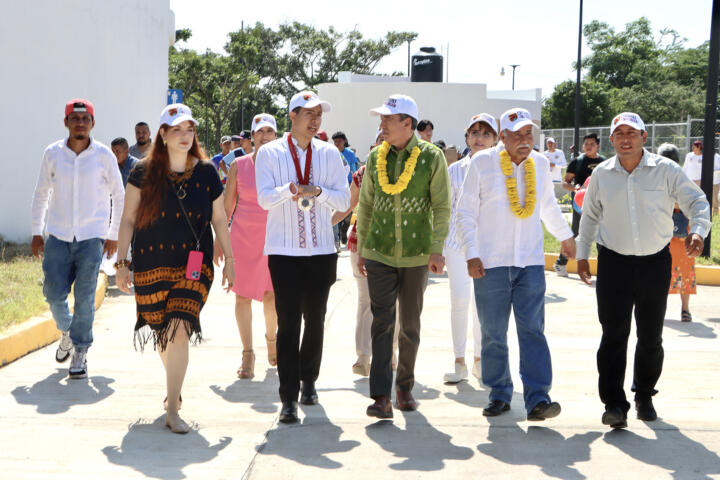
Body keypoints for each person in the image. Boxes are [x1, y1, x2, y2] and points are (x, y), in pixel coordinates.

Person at [576, 112, 710, 430]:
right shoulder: (602, 175)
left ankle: (644, 395)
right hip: (613, 264)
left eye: (632, 133)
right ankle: (614, 404)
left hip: (654, 263)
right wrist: (583, 254)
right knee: (613, 336)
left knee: (651, 336)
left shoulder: (666, 170)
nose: (625, 138)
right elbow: (590, 215)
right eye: (619, 133)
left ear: (644, 137)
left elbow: (698, 201)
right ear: (611, 139)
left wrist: (698, 231)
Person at [115, 103, 234, 434]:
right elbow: (127, 220)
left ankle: (173, 409)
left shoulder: (208, 172)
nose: (185, 136)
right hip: (151, 264)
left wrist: (230, 260)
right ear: (163, 135)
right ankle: (174, 388)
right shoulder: (142, 171)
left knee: (180, 328)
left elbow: (220, 220)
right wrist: (122, 264)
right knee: (164, 333)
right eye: (178, 130)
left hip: (194, 266)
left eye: (190, 129)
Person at [456, 107, 575, 421]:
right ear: (503, 136)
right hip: (489, 263)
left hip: (530, 262)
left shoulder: (539, 162)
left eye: (529, 134)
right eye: (518, 135)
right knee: (494, 333)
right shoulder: (482, 163)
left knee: (533, 331)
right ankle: (499, 394)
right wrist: (471, 253)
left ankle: (538, 399)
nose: (525, 140)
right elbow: (465, 212)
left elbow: (548, 204)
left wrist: (565, 236)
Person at [255, 91, 350, 424]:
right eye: (308, 114)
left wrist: (319, 193)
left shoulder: (329, 153)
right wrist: (290, 190)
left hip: (322, 249)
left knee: (316, 318)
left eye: (319, 115)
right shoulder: (269, 153)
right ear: (292, 116)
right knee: (288, 322)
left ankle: (309, 379)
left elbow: (344, 200)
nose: (315, 120)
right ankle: (288, 398)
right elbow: (265, 200)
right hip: (284, 251)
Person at [357, 94, 450, 419]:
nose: (381, 125)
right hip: (379, 251)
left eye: (387, 119)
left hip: (416, 255)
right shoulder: (375, 158)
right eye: (381, 119)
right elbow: (365, 205)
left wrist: (437, 248)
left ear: (407, 124)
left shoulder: (431, 158)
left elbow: (441, 205)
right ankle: (381, 396)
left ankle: (404, 387)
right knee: (382, 322)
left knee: (409, 324)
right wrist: (362, 249)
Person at [31, 98, 125, 379]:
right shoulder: (53, 154)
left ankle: (81, 351)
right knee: (53, 294)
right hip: (58, 236)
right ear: (66, 122)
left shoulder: (104, 155)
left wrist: (112, 234)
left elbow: (118, 196)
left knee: (84, 297)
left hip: (91, 239)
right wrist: (37, 231)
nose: (80, 123)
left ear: (92, 123)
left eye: (85, 119)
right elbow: (41, 194)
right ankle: (68, 333)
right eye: (75, 118)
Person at [222, 114, 279, 379]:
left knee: (271, 296)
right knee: (242, 295)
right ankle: (247, 353)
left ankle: (272, 340)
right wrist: (219, 242)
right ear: (252, 137)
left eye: (270, 131)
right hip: (243, 239)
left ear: (276, 136)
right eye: (260, 132)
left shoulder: (284, 165)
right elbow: (227, 207)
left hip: (275, 239)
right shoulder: (238, 165)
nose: (265, 136)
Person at [443, 113, 497, 384]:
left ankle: (480, 360)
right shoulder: (454, 170)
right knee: (460, 300)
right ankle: (459, 361)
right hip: (457, 245)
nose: (479, 138)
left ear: (496, 139)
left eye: (486, 133)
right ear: (466, 138)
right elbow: (446, 210)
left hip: (488, 247)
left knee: (482, 306)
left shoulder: (501, 169)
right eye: (474, 133)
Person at [331, 163, 400, 377]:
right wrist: (322, 226)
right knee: (366, 299)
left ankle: (391, 352)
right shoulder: (365, 171)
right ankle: (363, 356)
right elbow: (349, 204)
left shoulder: (412, 165)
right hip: (362, 242)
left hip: (400, 244)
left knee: (396, 301)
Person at [555, 133, 605, 277]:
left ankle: (604, 268)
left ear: (598, 146)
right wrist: (576, 189)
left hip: (600, 204)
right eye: (586, 144)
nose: (588, 147)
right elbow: (565, 183)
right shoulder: (577, 162)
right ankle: (560, 263)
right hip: (581, 204)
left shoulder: (604, 162)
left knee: (602, 235)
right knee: (577, 233)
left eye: (592, 144)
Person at [659, 143, 697, 322]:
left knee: (684, 270)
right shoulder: (654, 178)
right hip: (661, 234)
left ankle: (685, 309)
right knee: (661, 272)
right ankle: (662, 309)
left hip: (680, 234)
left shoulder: (682, 179)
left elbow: (689, 203)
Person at [683, 140, 720, 215]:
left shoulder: (713, 157)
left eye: (694, 146)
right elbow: (685, 167)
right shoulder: (689, 155)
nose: (692, 148)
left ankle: (714, 213)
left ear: (699, 147)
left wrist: (711, 172)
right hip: (690, 180)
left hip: (709, 180)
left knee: (713, 198)